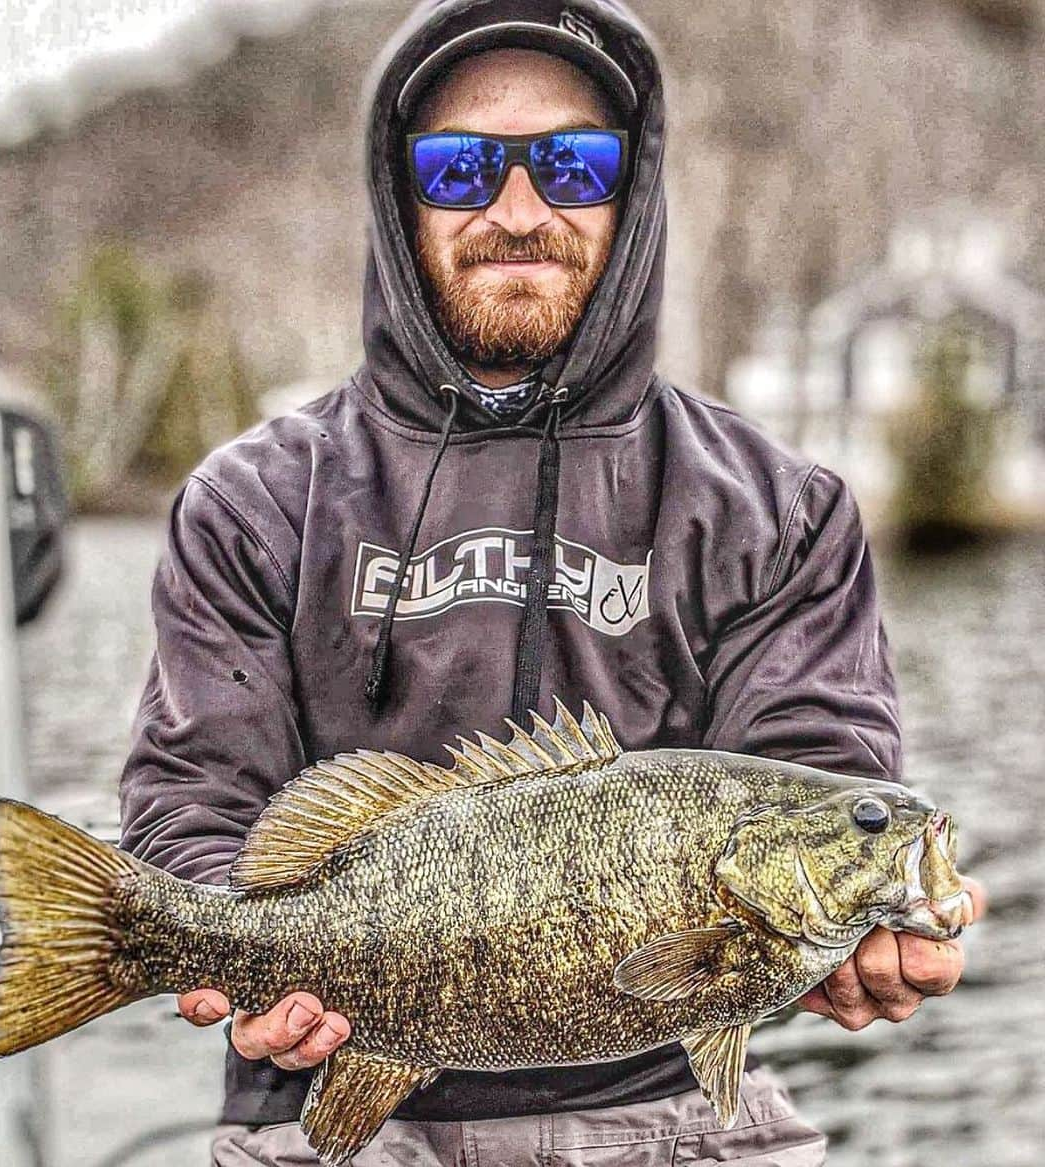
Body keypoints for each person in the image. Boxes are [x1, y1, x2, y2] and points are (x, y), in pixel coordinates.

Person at [119, 2, 983, 1164]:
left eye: (572, 163)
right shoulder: (257, 497)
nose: (516, 210)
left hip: (676, 1112)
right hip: (337, 1111)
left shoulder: (779, 508)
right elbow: (196, 793)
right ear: (398, 190)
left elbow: (816, 771)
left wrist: (863, 925)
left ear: (632, 195)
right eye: (461, 164)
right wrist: (238, 949)